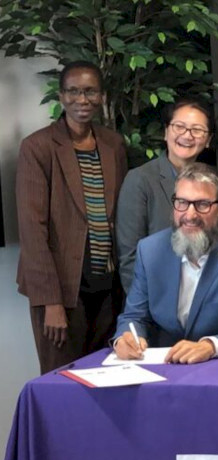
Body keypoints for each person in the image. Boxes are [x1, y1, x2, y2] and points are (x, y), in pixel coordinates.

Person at [16, 60, 128, 374]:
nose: (82, 99)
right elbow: (32, 230)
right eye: (74, 91)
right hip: (62, 292)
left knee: (107, 378)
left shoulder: (113, 144)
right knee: (62, 382)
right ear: (62, 96)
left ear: (102, 96)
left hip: (107, 287)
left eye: (90, 91)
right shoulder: (38, 147)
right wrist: (51, 302)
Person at [113, 163, 218, 364]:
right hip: (163, 366)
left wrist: (210, 346)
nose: (190, 215)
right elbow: (134, 316)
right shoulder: (150, 250)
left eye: (202, 205)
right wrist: (125, 338)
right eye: (182, 202)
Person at [116, 97, 214, 292]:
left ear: (208, 140)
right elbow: (129, 257)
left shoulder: (214, 182)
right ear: (165, 132)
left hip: (206, 296)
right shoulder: (140, 179)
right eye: (179, 126)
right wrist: (144, 306)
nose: (187, 135)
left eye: (197, 130)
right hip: (157, 296)